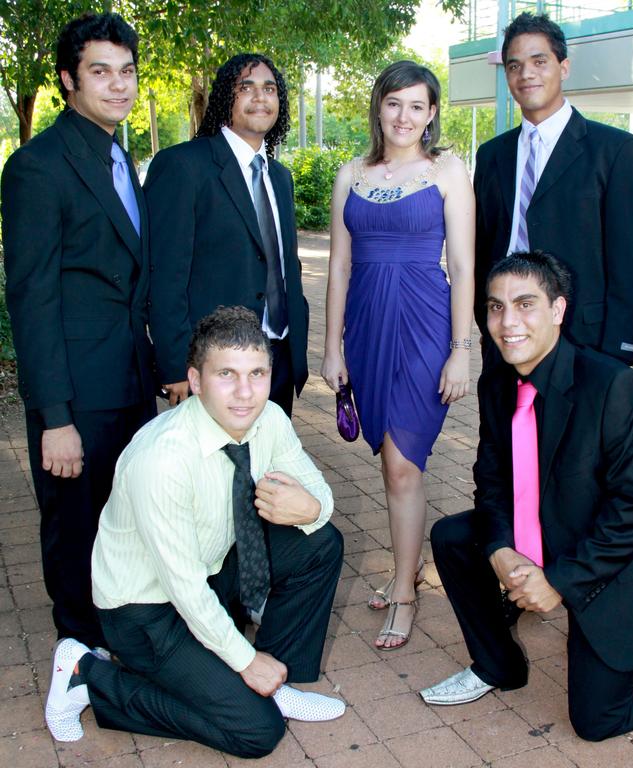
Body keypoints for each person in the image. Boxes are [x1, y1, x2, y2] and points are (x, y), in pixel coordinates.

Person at [419, 252, 633, 741]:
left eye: (524, 304)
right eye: (495, 307)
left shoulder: (613, 387)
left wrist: (556, 581)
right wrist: (499, 549)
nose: (507, 321)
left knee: (596, 718)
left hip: (627, 558)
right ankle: (499, 666)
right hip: (557, 524)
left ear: (558, 310)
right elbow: (492, 480)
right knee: (454, 537)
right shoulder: (497, 383)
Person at [43, 306, 345, 755]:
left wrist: (314, 506)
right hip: (146, 609)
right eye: (227, 374)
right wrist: (244, 660)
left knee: (320, 542)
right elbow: (183, 588)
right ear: (196, 380)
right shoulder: (162, 459)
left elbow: (315, 487)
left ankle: (276, 680)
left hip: (212, 568)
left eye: (257, 373)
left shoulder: (269, 420)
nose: (246, 393)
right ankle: (90, 676)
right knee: (256, 732)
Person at [1, 12, 156, 650]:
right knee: (74, 533)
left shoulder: (122, 156)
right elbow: (31, 298)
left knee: (124, 523)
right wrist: (54, 417)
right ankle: (79, 657)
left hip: (130, 382)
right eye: (100, 72)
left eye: (127, 72)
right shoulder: (36, 166)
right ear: (69, 80)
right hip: (75, 394)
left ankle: (118, 641)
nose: (118, 86)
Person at [321, 61, 474, 650]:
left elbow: (462, 266)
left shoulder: (447, 170)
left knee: (403, 461)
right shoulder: (350, 174)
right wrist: (332, 348)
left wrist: (461, 350)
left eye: (417, 105)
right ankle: (402, 567)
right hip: (365, 326)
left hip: (424, 324)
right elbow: (338, 265)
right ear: (377, 108)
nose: (404, 116)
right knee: (385, 455)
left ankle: (407, 591)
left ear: (432, 113)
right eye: (393, 103)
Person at [474, 12, 633, 364]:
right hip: (505, 338)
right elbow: (483, 244)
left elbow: (628, 262)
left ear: (563, 67)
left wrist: (617, 351)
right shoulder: (492, 155)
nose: (526, 74)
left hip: (584, 342)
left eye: (539, 61)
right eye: (514, 65)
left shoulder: (615, 150)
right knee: (502, 421)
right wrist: (486, 321)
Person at [145, 53, 307, 417]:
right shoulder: (183, 166)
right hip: (215, 364)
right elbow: (165, 274)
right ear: (224, 98)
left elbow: (283, 263)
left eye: (269, 88)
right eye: (245, 87)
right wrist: (175, 365)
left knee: (264, 467)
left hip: (276, 358)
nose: (260, 97)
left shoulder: (279, 177)